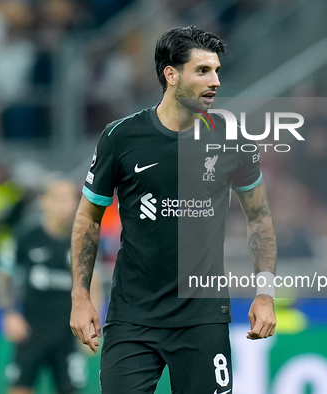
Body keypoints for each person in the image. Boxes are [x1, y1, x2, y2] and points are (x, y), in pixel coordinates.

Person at [70, 26, 278, 393]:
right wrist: (80, 295)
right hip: (133, 319)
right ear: (171, 74)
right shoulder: (121, 138)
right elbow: (89, 216)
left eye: (216, 71)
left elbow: (259, 217)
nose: (214, 81)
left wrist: (265, 294)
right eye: (202, 71)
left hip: (202, 319)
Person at [0, 179, 91, 394]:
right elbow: (3, 278)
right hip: (31, 334)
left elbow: (92, 285)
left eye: (71, 199)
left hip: (68, 336)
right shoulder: (25, 237)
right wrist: (9, 313)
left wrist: (93, 326)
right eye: (60, 199)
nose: (67, 205)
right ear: (44, 202)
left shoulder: (82, 242)